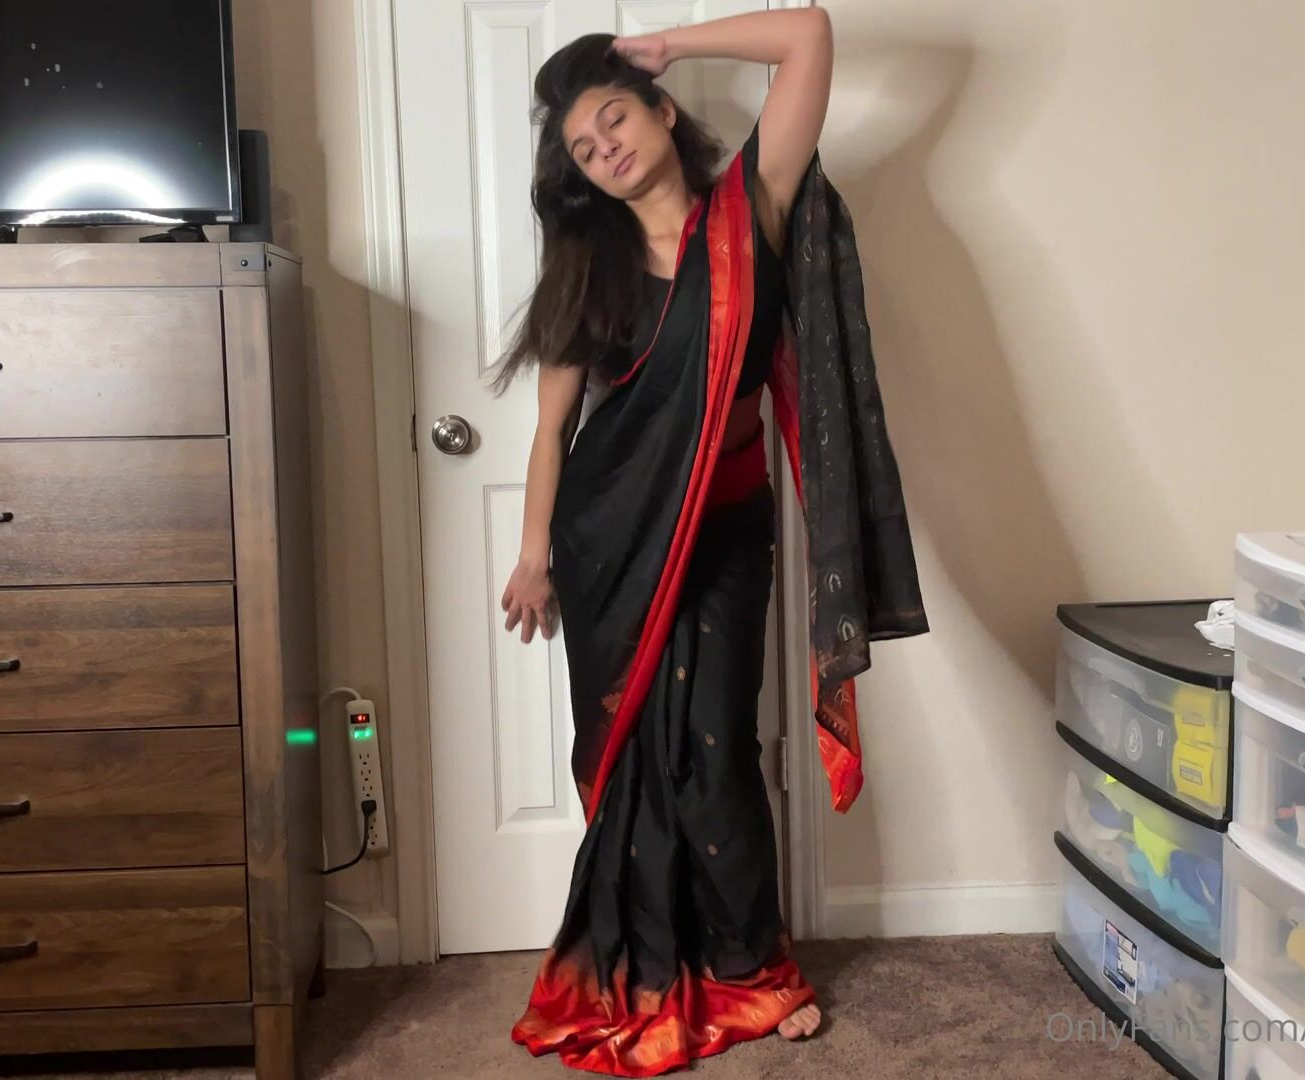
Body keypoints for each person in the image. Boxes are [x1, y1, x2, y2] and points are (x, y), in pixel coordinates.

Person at [496, 10, 928, 1076]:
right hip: (612, 545)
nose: (605, 149)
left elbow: (810, 35)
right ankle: (651, 964)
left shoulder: (751, 209)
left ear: (660, 111)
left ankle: (751, 969)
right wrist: (533, 553)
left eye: (614, 119)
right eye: (583, 149)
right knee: (638, 753)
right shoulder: (587, 268)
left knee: (720, 744)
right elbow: (552, 430)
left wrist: (672, 42)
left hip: (728, 525)